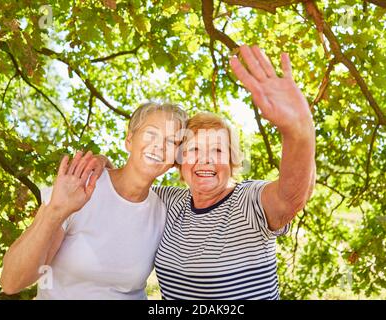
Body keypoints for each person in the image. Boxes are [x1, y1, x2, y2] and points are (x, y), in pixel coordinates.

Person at [91, 45, 316, 299]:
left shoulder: (247, 201)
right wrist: (102, 163)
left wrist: (299, 131)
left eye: (218, 151)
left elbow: (291, 197)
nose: (205, 160)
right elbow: (129, 182)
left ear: (232, 161)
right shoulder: (169, 202)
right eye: (194, 149)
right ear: (179, 161)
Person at [0, 102, 188, 299]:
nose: (159, 145)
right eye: (151, 133)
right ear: (129, 140)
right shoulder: (79, 186)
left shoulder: (165, 210)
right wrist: (55, 211)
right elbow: (12, 282)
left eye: (172, 141)